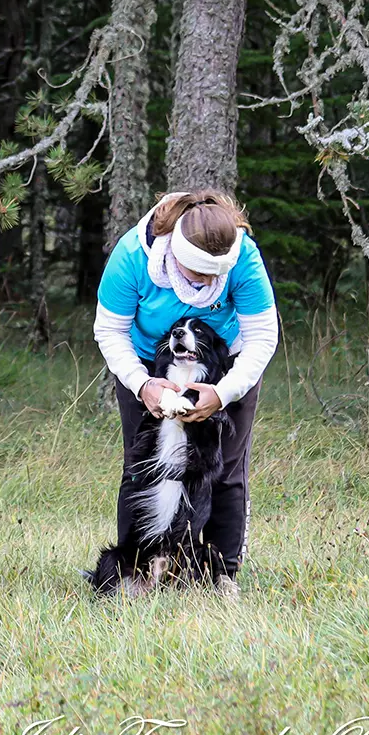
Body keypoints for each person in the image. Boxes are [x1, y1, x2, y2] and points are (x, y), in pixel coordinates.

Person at [93, 189, 279, 595]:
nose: (209, 283)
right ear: (175, 253)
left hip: (225, 364)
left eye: (216, 277)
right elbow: (109, 329)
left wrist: (223, 392)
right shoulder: (132, 256)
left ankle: (220, 576)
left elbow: (263, 336)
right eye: (199, 275)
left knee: (226, 471)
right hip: (146, 367)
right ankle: (136, 573)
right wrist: (143, 384)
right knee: (141, 467)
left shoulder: (243, 254)